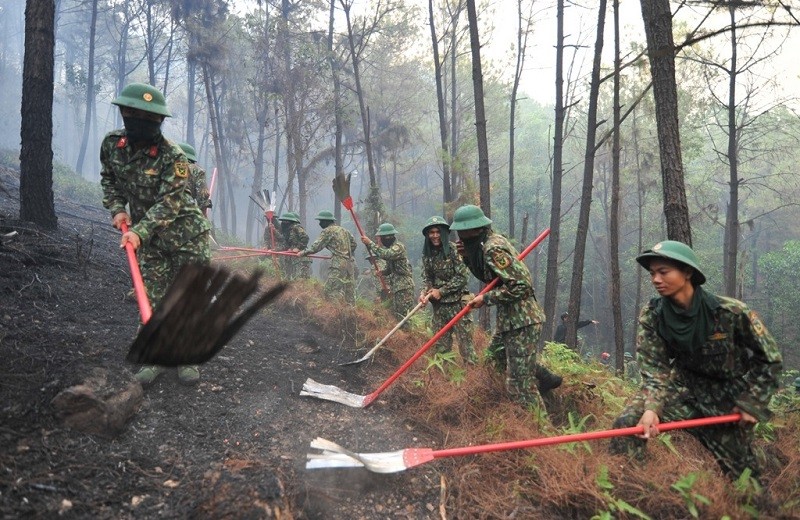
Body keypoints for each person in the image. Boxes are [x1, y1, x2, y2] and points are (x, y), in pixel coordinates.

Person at [609, 240, 782, 482]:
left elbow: (770, 360)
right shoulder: (653, 316)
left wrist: (753, 402)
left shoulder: (730, 313)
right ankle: (631, 490)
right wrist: (652, 409)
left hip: (726, 398)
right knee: (630, 424)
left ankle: (764, 464)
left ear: (688, 272)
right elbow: (655, 370)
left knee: (747, 480)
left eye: (663, 272)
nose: (655, 279)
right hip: (681, 389)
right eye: (652, 273)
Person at [100, 83, 211, 386]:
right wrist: (117, 209)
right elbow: (108, 179)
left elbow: (169, 204)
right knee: (154, 294)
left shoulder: (173, 157)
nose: (145, 124)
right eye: (137, 116)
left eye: (153, 119)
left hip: (188, 236)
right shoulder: (112, 145)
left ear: (160, 121)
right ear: (125, 113)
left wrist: (138, 231)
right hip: (151, 240)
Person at [450, 204, 562, 410]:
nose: (460, 235)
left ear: (476, 229)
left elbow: (522, 285)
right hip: (509, 320)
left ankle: (540, 433)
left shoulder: (493, 248)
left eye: (463, 231)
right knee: (495, 357)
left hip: (522, 321)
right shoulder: (483, 246)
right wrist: (467, 257)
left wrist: (485, 299)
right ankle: (546, 377)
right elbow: (490, 277)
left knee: (519, 385)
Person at [419, 216, 476, 363]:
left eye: (438, 232)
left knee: (466, 349)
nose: (435, 235)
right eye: (431, 232)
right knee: (441, 349)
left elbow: (463, 277)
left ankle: (473, 380)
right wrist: (424, 292)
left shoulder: (453, 250)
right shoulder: (427, 254)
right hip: (439, 308)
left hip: (458, 305)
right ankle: (444, 380)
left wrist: (441, 291)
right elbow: (427, 278)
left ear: (444, 233)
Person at [299, 210, 356, 304]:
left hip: (338, 263)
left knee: (330, 290)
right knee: (349, 292)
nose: (320, 223)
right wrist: (345, 252)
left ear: (326, 221)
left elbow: (316, 247)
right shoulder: (344, 230)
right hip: (349, 262)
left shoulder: (327, 231)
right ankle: (351, 313)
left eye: (321, 221)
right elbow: (354, 244)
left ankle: (335, 313)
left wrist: (303, 253)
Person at [361, 223, 415, 321]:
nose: (381, 240)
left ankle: (407, 335)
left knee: (404, 317)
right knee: (397, 315)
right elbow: (390, 268)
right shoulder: (391, 248)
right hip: (397, 287)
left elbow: (386, 254)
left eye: (381, 238)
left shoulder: (398, 247)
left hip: (404, 287)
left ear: (388, 237)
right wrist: (383, 272)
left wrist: (370, 243)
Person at [177, 142, 211, 216]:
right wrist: (204, 219)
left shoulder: (163, 167)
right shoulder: (197, 171)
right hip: (184, 217)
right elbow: (202, 198)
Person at [276, 212, 311, 280]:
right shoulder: (287, 231)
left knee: (301, 280)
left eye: (285, 221)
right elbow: (285, 244)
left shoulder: (296, 227)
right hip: (292, 259)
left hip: (300, 258)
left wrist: (298, 248)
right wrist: (275, 250)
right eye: (283, 221)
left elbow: (305, 238)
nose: (283, 223)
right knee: (291, 279)